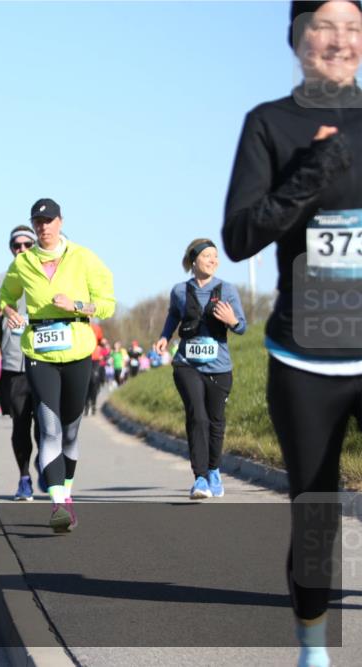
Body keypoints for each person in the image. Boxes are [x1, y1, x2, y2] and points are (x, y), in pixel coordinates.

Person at [222, 3, 361, 665]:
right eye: (324, 25)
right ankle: (313, 645)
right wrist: (315, 171)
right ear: (296, 37)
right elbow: (241, 234)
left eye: (354, 27)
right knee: (316, 515)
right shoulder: (268, 124)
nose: (340, 40)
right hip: (305, 357)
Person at [0, 198, 115, 533]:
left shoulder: (84, 258)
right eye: (37, 222)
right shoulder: (24, 263)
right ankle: (59, 503)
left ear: (60, 222)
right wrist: (10, 312)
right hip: (39, 353)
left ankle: (67, 492)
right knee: (49, 429)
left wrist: (76, 304)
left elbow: (107, 305)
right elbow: (6, 297)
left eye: (48, 221)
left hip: (78, 351)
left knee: (71, 431)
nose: (43, 227)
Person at [153, 239, 246, 500]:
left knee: (216, 422)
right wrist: (165, 336)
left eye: (216, 256)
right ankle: (200, 478)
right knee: (198, 417)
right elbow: (173, 314)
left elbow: (242, 327)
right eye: (207, 256)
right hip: (187, 364)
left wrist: (232, 321)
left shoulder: (227, 290)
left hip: (220, 367)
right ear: (194, 260)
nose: (213, 260)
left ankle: (214, 470)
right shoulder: (180, 291)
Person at [0, 225, 38, 500]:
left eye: (28, 244)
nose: (22, 250)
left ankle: (48, 464)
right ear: (11, 249)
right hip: (14, 365)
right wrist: (2, 308)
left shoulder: (47, 277)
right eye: (17, 246)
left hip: (45, 361)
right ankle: (25, 477)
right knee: (20, 424)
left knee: (46, 425)